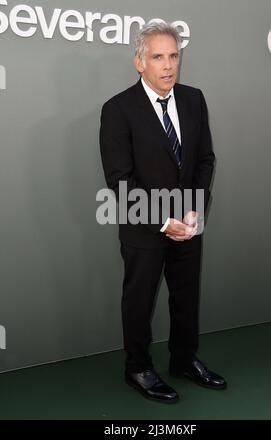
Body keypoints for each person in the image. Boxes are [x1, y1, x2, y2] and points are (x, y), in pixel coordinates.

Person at [99, 22, 226, 403]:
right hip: (145, 229)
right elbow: (119, 180)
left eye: (174, 56)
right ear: (139, 62)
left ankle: (184, 360)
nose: (168, 65)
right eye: (158, 57)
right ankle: (137, 368)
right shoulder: (118, 109)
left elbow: (204, 160)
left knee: (186, 297)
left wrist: (193, 213)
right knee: (139, 301)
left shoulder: (193, 99)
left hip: (188, 225)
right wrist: (162, 221)